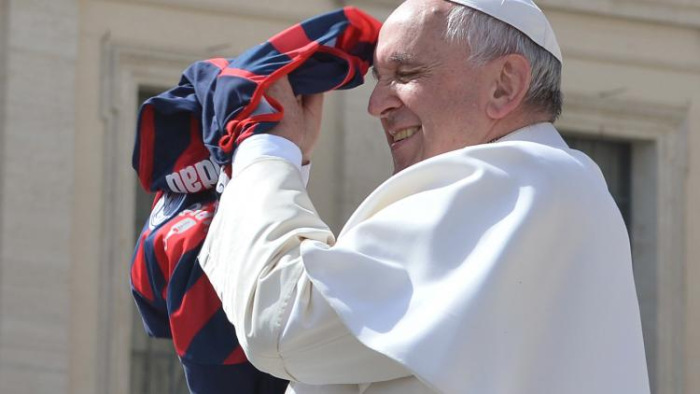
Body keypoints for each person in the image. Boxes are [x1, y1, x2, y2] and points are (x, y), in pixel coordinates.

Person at [198, 0, 651, 392]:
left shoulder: (520, 180)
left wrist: (265, 150)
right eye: (378, 78)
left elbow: (282, 323)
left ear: (504, 85)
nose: (376, 105)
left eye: (406, 73)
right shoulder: (554, 185)